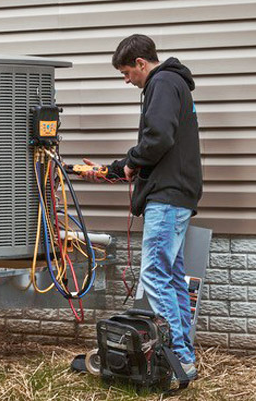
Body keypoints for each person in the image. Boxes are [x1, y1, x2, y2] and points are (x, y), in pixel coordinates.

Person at [81, 34, 203, 380]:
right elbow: (155, 144)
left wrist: (132, 163)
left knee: (153, 275)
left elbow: (158, 138)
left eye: (126, 72)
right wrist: (117, 167)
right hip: (177, 192)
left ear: (141, 64)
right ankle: (185, 355)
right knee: (173, 277)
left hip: (167, 196)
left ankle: (179, 359)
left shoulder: (162, 82)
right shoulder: (174, 84)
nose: (126, 79)